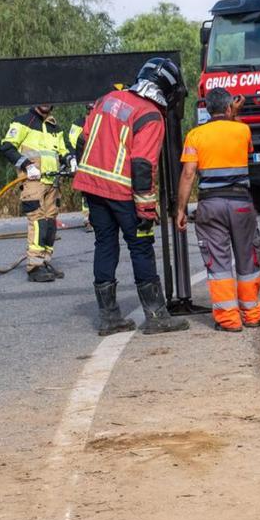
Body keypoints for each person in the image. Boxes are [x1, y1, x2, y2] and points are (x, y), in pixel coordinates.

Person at [73, 57, 190, 336]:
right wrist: (146, 212)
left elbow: (82, 141)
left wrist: (89, 179)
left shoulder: (108, 99)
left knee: (105, 245)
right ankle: (156, 316)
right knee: (141, 247)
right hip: (124, 191)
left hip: (92, 187)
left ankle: (109, 318)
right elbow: (141, 165)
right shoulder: (150, 115)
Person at [175, 87, 260, 332]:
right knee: (248, 258)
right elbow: (246, 148)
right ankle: (252, 314)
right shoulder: (242, 129)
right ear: (228, 108)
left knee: (219, 263)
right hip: (241, 205)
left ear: (205, 109)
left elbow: (188, 173)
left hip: (210, 206)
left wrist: (180, 209)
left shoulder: (195, 135)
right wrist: (234, 115)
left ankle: (229, 320)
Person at [0, 104, 73, 282]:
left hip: (53, 183)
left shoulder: (55, 127)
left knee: (50, 223)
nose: (45, 102)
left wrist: (71, 159)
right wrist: (27, 165)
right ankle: (34, 266)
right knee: (38, 222)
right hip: (33, 182)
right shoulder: (23, 122)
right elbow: (7, 147)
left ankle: (44, 260)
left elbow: (64, 150)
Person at [66, 105, 94, 232]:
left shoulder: (104, 119)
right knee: (86, 192)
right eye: (89, 109)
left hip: (100, 162)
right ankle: (88, 219)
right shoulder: (79, 123)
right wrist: (73, 160)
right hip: (84, 162)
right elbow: (72, 142)